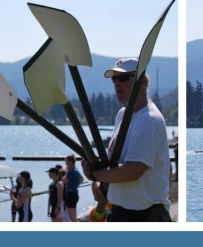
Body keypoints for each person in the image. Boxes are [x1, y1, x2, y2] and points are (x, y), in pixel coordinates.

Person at [81, 57, 172, 222]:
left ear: (141, 81)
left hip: (147, 216)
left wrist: (96, 176)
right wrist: (98, 181)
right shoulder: (122, 114)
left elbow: (133, 171)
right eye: (114, 79)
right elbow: (114, 164)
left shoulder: (149, 119)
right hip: (120, 212)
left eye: (123, 78)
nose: (117, 84)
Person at [62, 154, 84, 222]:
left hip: (71, 194)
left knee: (73, 218)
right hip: (74, 193)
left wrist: (65, 173)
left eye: (66, 161)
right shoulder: (76, 170)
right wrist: (75, 184)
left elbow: (64, 181)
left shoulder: (71, 171)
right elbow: (82, 179)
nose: (65, 163)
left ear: (71, 161)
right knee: (72, 217)